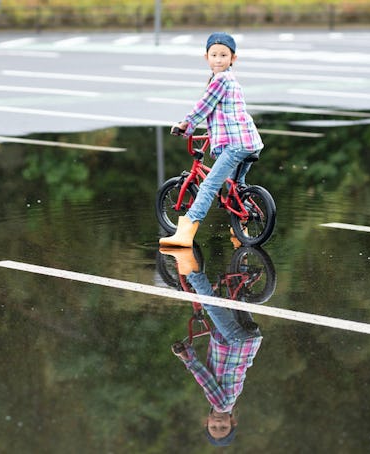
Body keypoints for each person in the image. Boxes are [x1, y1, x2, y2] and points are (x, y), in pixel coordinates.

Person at [160, 32, 264, 248]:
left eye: (223, 55)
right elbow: (228, 116)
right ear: (206, 57)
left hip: (236, 145)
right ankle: (241, 228)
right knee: (237, 185)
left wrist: (186, 124)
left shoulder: (221, 79)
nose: (218, 59)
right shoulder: (232, 80)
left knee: (208, 186)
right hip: (249, 142)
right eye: (214, 55)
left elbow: (204, 105)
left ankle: (185, 233)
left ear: (233, 58)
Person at [162, 246, 262, 447]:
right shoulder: (221, 404)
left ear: (206, 422)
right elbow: (204, 378)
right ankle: (190, 267)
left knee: (236, 297)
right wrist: (187, 357)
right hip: (235, 342)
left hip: (249, 343)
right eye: (223, 427)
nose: (218, 423)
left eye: (213, 427)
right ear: (232, 422)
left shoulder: (233, 399)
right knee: (209, 304)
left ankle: (242, 253)